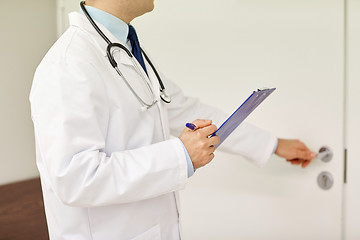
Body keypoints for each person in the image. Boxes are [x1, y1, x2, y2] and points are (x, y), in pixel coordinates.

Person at [29, 0, 317, 239]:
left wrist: (271, 144)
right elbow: (76, 178)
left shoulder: (122, 50)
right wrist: (180, 155)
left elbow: (185, 110)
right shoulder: (68, 65)